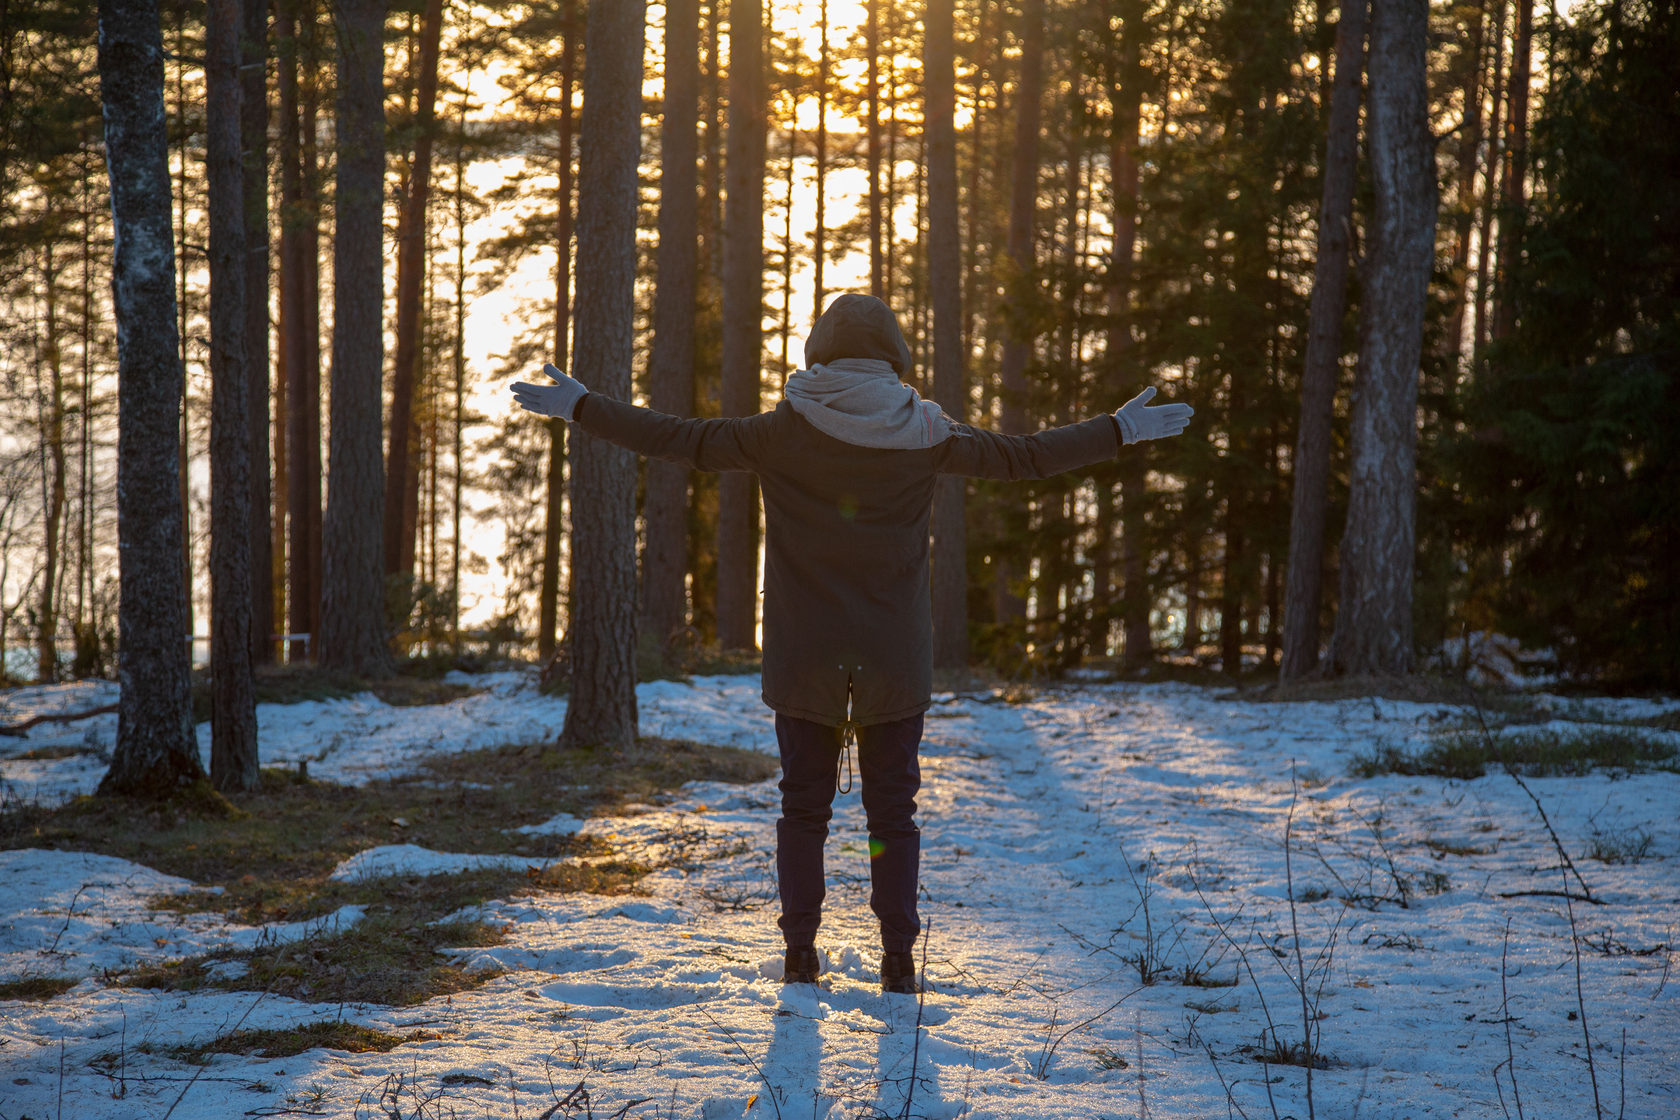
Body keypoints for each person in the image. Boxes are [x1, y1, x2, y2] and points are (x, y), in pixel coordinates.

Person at [510, 293, 1193, 994]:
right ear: (892, 354)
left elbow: (681, 437)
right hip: (894, 657)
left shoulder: (784, 430)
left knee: (802, 808)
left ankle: (799, 954)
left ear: (820, 352)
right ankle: (898, 960)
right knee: (893, 814)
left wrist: (584, 406)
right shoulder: (927, 431)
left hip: (803, 655)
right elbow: (1026, 458)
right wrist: (1119, 429)